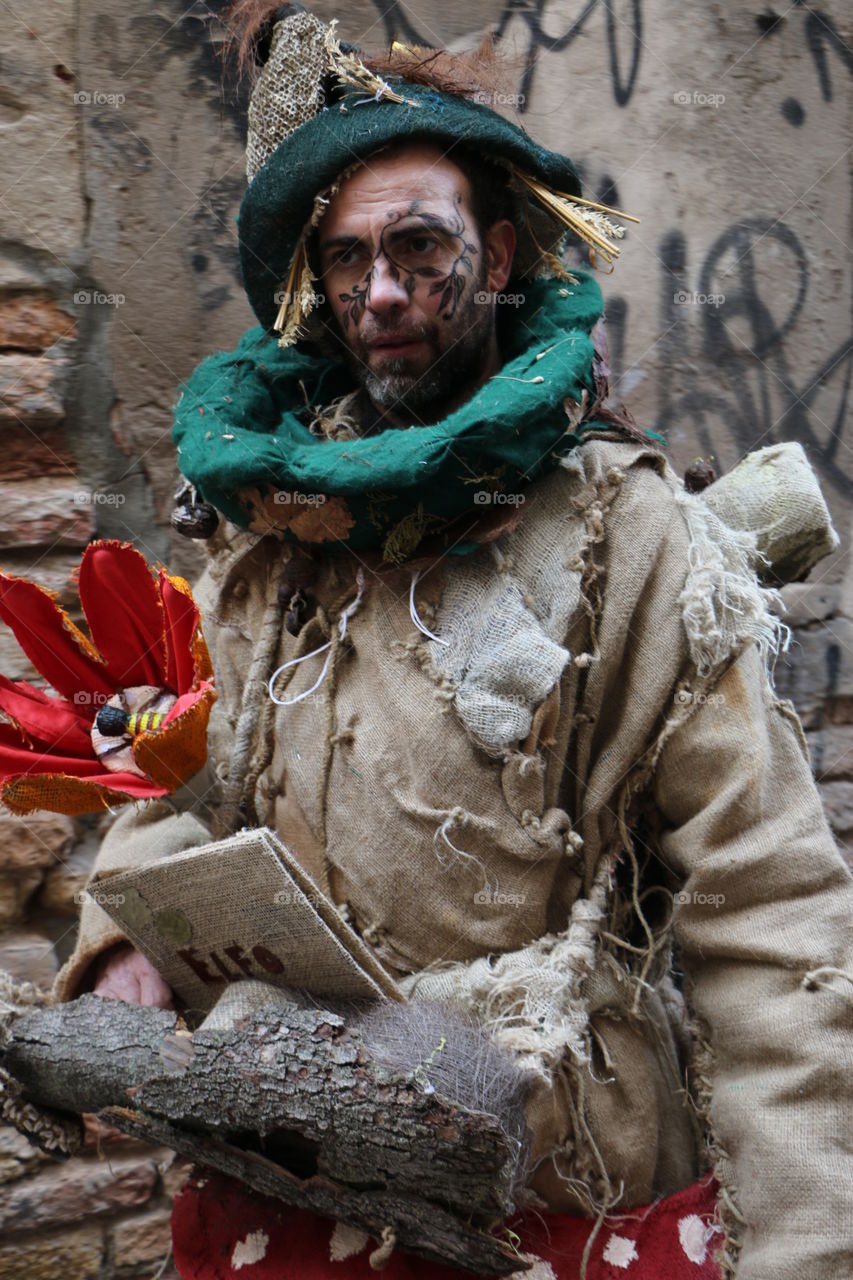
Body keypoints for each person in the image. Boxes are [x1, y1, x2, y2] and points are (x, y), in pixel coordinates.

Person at [53, 8, 852, 1279]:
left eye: (420, 248)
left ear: (497, 254)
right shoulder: (271, 532)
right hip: (283, 1182)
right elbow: (183, 774)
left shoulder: (630, 538)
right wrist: (124, 939)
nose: (381, 292)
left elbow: (766, 915)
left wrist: (804, 1245)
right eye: (348, 258)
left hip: (555, 1190)